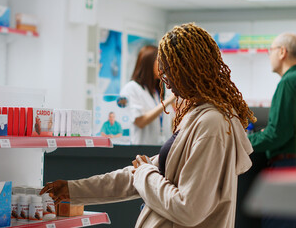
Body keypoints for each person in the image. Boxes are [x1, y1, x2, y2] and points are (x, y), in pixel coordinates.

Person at [40, 23, 255, 227]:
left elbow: (187, 208)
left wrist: (145, 172)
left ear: (190, 69)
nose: (164, 78)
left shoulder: (212, 124)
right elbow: (133, 176)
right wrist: (72, 189)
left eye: (170, 69)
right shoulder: (196, 116)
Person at [248, 33, 296, 228]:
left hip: (288, 169)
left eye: (271, 51)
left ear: (283, 52)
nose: (269, 55)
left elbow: (277, 134)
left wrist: (243, 141)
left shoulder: (289, 82)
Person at [120, 45, 176, 145]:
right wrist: (169, 100)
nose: (164, 67)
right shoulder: (132, 88)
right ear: (149, 64)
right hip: (140, 150)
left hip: (159, 149)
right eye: (160, 62)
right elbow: (140, 122)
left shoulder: (156, 92)